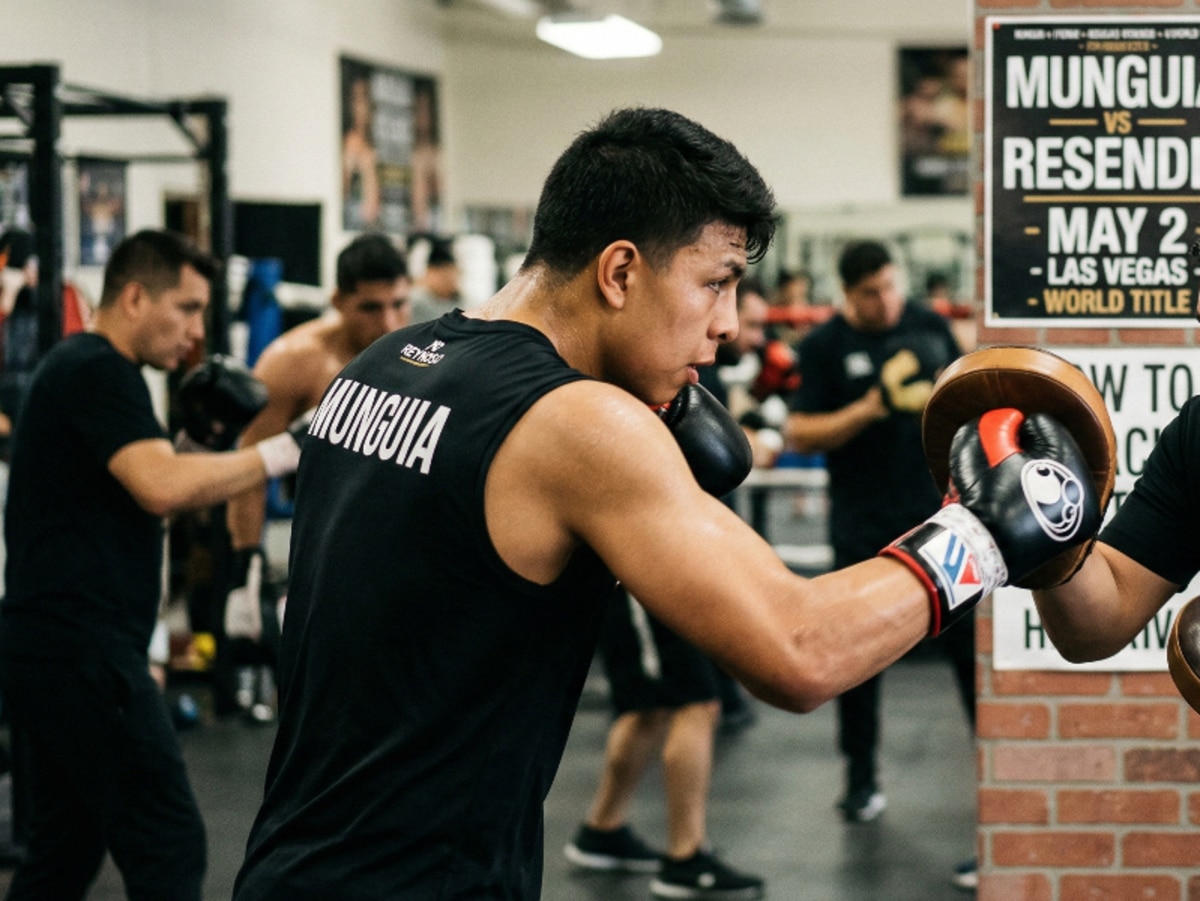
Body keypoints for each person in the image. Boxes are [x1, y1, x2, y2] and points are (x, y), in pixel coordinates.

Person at [231, 107, 1099, 901]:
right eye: (715, 281)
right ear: (618, 270)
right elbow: (798, 648)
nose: (728, 324)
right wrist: (982, 533)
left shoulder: (385, 361)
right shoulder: (577, 423)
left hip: (287, 866)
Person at [0, 228, 305, 900]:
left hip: (51, 648)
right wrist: (287, 450)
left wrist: (197, 442)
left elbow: (144, 500)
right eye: (187, 309)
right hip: (81, 652)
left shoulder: (87, 372)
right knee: (168, 843)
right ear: (135, 297)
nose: (195, 332)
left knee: (64, 848)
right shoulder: (96, 368)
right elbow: (161, 485)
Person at [784, 240, 972, 825]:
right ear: (846, 293)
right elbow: (801, 433)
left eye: (890, 286)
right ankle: (860, 777)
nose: (886, 301)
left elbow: (964, 400)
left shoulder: (930, 325)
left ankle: (991, 769)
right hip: (861, 523)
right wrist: (871, 406)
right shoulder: (823, 347)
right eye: (870, 292)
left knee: (967, 652)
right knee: (857, 659)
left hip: (936, 519)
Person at [221, 233, 410, 717]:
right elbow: (250, 464)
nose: (388, 321)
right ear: (338, 301)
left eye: (399, 304)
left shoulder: (425, 353)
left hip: (403, 559)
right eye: (371, 307)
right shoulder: (292, 363)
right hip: (323, 561)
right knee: (312, 708)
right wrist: (247, 566)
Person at [564, 583, 764, 899]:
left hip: (662, 579)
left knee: (649, 709)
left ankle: (602, 830)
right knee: (696, 704)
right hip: (643, 583)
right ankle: (686, 856)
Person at [342, 72, 381, 230]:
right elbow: (344, 191)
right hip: (360, 226)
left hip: (373, 226)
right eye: (357, 100)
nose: (361, 107)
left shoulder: (370, 145)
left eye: (365, 99)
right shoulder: (352, 143)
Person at [406, 235, 461, 325]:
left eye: (451, 271)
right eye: (442, 273)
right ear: (428, 272)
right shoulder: (415, 304)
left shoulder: (470, 304)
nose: (448, 278)